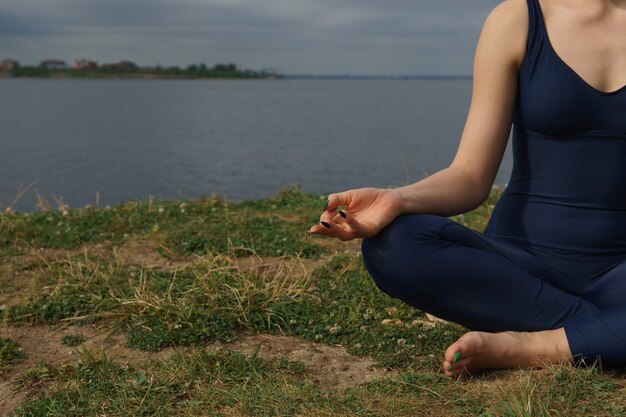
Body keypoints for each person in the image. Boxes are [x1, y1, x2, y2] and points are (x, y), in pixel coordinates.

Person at [308, 0, 626, 378]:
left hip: (619, 273)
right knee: (396, 244)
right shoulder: (517, 20)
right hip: (520, 268)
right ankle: (603, 333)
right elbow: (471, 176)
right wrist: (396, 199)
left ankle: (536, 344)